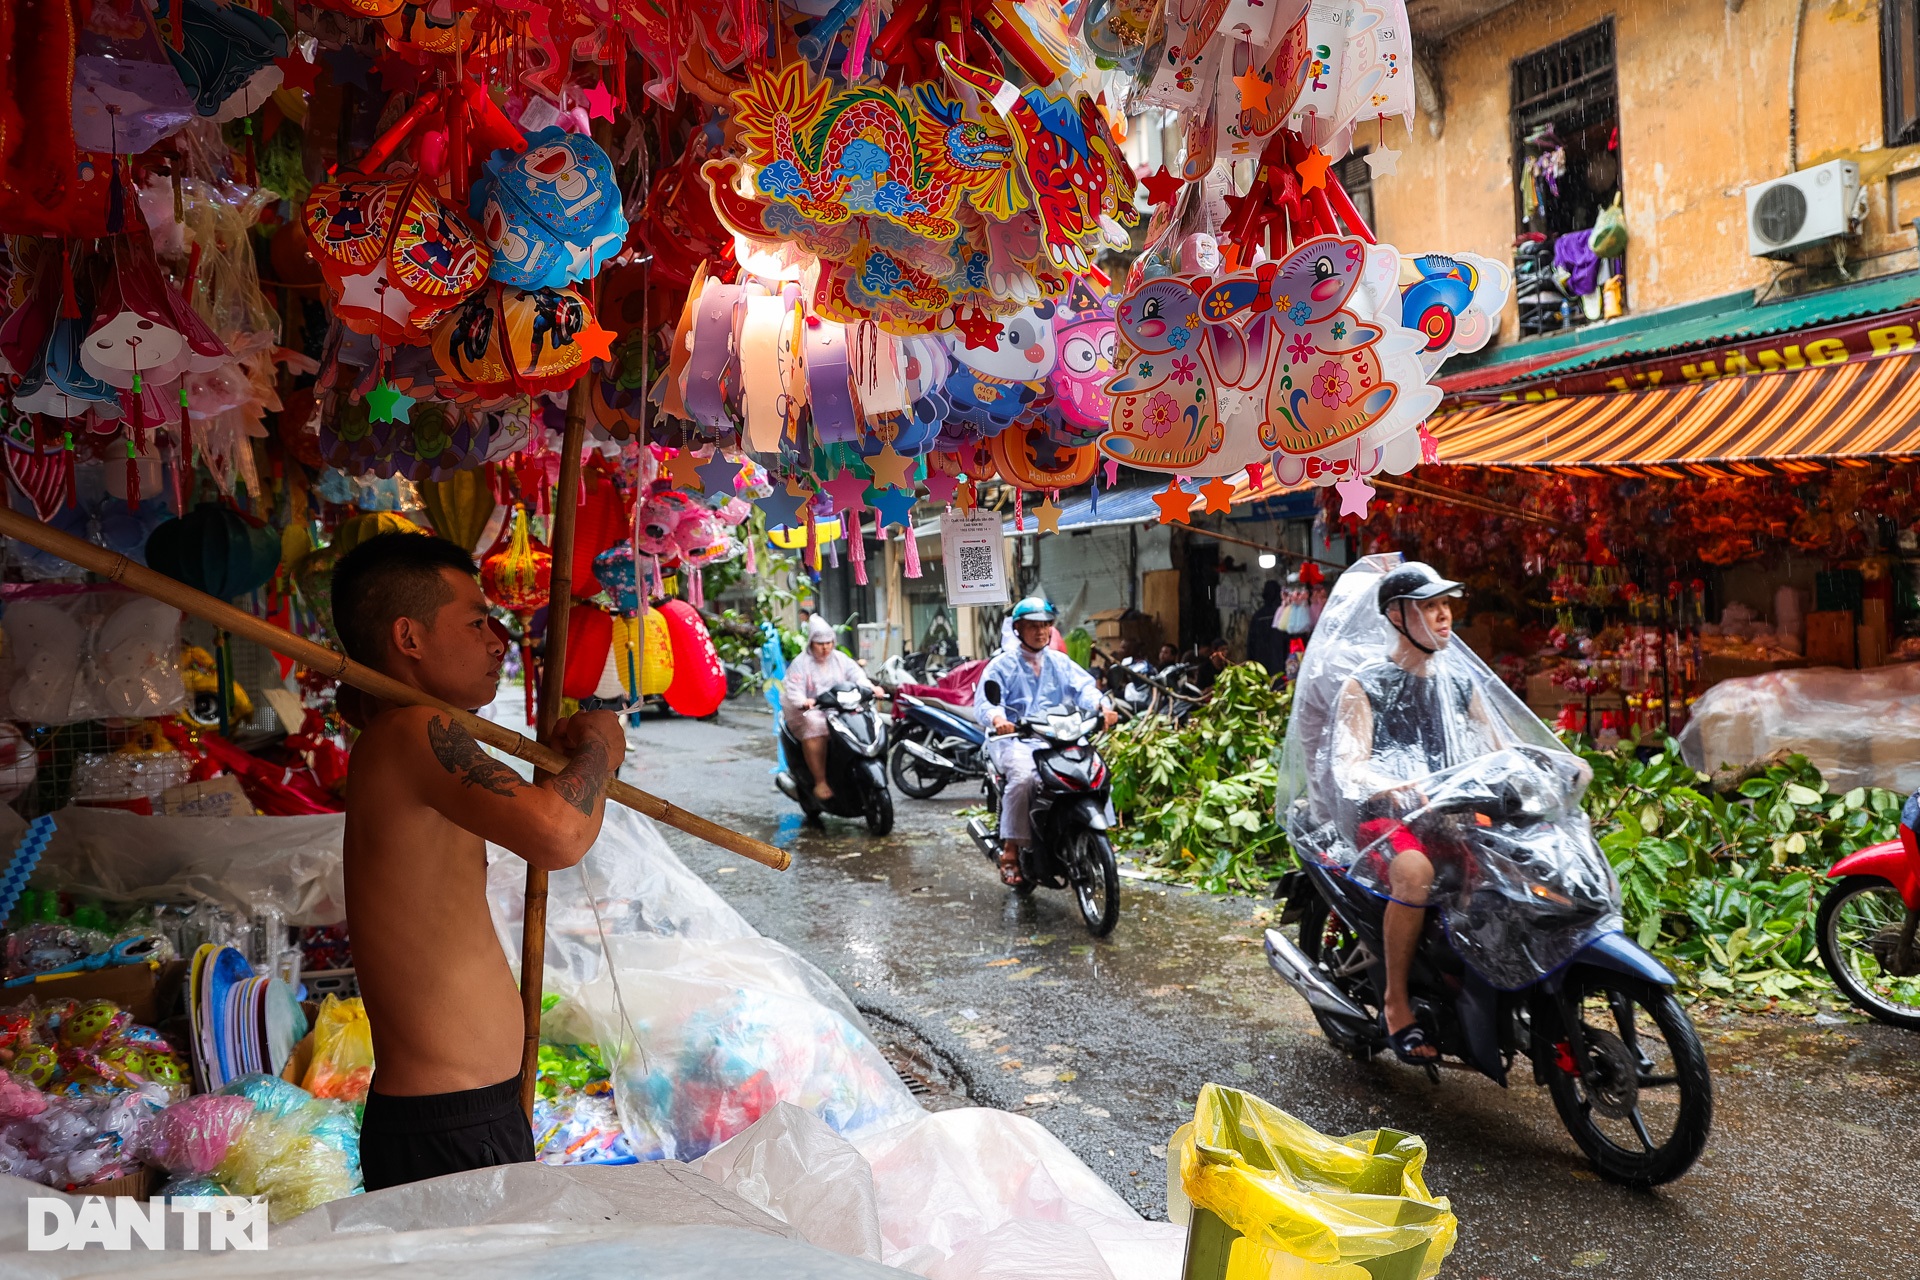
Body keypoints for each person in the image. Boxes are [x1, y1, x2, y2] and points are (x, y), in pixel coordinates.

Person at [333, 532, 626, 1191]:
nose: (497, 640)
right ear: (408, 638)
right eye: (474, 621)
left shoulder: (406, 728)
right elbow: (557, 835)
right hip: (444, 1125)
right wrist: (602, 745)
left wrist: (583, 761)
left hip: (469, 1114)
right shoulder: (410, 731)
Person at [1328, 563, 1522, 1063]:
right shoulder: (1365, 684)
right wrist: (1399, 784)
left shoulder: (1459, 682)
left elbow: (1497, 747)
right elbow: (1351, 766)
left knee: (1516, 863)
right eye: (1429, 607)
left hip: (1449, 811)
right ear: (1396, 615)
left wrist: (1535, 772)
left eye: (1446, 605)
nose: (1443, 616)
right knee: (1414, 873)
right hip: (1387, 817)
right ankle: (1396, 1001)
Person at [975, 597, 1116, 886]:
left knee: (1095, 770)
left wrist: (1102, 706)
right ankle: (1011, 849)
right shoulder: (1001, 664)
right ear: (1018, 629)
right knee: (1025, 779)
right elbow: (988, 703)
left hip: (1057, 737)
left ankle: (1102, 838)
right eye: (1033, 626)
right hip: (1017, 741)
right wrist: (998, 719)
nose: (1041, 632)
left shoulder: (1059, 661)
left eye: (1045, 626)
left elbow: (1085, 689)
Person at [783, 614, 871, 800]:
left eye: (829, 642)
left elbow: (858, 676)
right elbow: (793, 688)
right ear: (811, 644)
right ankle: (820, 780)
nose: (825, 648)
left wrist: (871, 688)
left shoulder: (840, 659)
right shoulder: (801, 663)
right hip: (812, 711)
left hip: (840, 708)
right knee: (815, 724)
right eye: (820, 644)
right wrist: (803, 701)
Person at [1247, 580, 1285, 675]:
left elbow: (1250, 644)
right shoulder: (1284, 614)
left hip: (1261, 663)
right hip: (1280, 661)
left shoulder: (1258, 616)